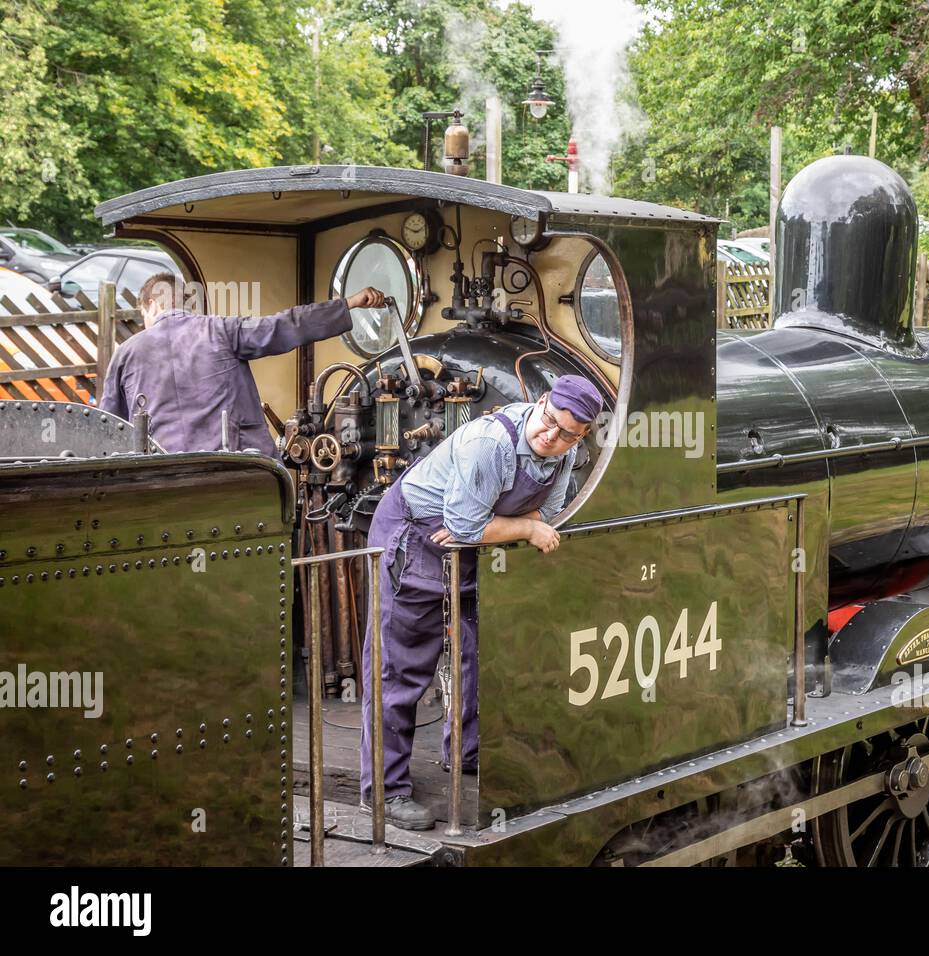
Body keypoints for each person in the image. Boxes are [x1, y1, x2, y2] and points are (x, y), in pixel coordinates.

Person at [360, 375, 604, 830]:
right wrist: (521, 528)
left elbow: (548, 513)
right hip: (415, 538)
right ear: (542, 402)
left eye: (568, 434)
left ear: (582, 435)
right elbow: (473, 526)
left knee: (480, 655)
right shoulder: (491, 444)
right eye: (550, 422)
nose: (552, 437)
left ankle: (468, 754)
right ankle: (384, 792)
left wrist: (488, 523)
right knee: (399, 668)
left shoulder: (565, 454)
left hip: (472, 550)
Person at [100, 272, 386, 454]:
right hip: (240, 469)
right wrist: (347, 304)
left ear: (150, 304)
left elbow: (108, 426)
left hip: (160, 476)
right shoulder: (222, 330)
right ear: (187, 303)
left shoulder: (125, 353)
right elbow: (285, 325)